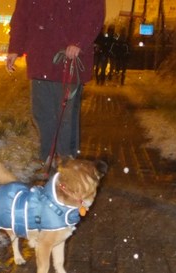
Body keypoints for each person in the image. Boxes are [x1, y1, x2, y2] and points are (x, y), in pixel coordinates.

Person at [6, 0, 106, 167]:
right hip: (39, 60)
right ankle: (48, 160)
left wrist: (79, 41)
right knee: (42, 114)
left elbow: (94, 12)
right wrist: (15, 47)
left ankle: (66, 165)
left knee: (66, 119)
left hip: (69, 59)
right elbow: (21, 15)